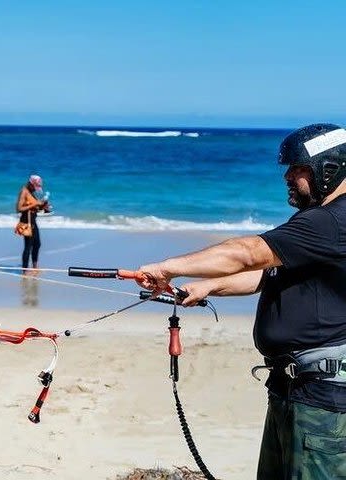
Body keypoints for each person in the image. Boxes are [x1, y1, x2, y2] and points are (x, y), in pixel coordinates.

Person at [137, 123, 346, 479]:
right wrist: (207, 286)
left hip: (321, 400)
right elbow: (265, 272)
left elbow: (248, 253)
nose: (287, 177)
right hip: (290, 389)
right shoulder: (316, 222)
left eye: (296, 169)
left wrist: (166, 267)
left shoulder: (332, 222)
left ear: (329, 167)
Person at [16, 174, 49, 269]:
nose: (36, 189)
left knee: (37, 244)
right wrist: (35, 204)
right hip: (26, 222)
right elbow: (19, 208)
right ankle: (25, 269)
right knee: (28, 246)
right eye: (36, 186)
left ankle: (35, 266)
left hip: (33, 221)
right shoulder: (24, 191)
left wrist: (42, 206)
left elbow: (34, 206)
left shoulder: (31, 192)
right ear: (31, 184)